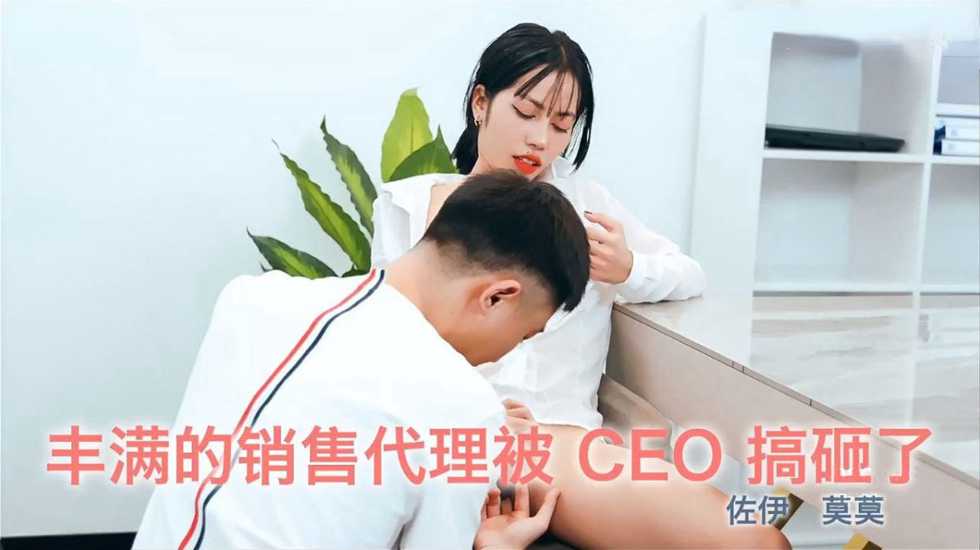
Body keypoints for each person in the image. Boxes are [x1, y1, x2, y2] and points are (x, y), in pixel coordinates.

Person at [371, 23, 790, 548]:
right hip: (452, 434)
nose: (540, 139)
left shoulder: (587, 206)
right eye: (526, 113)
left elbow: (689, 273)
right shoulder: (409, 205)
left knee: (757, 540)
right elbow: (383, 339)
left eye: (561, 124)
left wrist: (628, 267)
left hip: (558, 443)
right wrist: (474, 415)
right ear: (481, 103)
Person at [131, 171, 585, 549]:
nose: (512, 349)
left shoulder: (248, 298)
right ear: (497, 297)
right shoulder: (462, 407)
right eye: (525, 334)